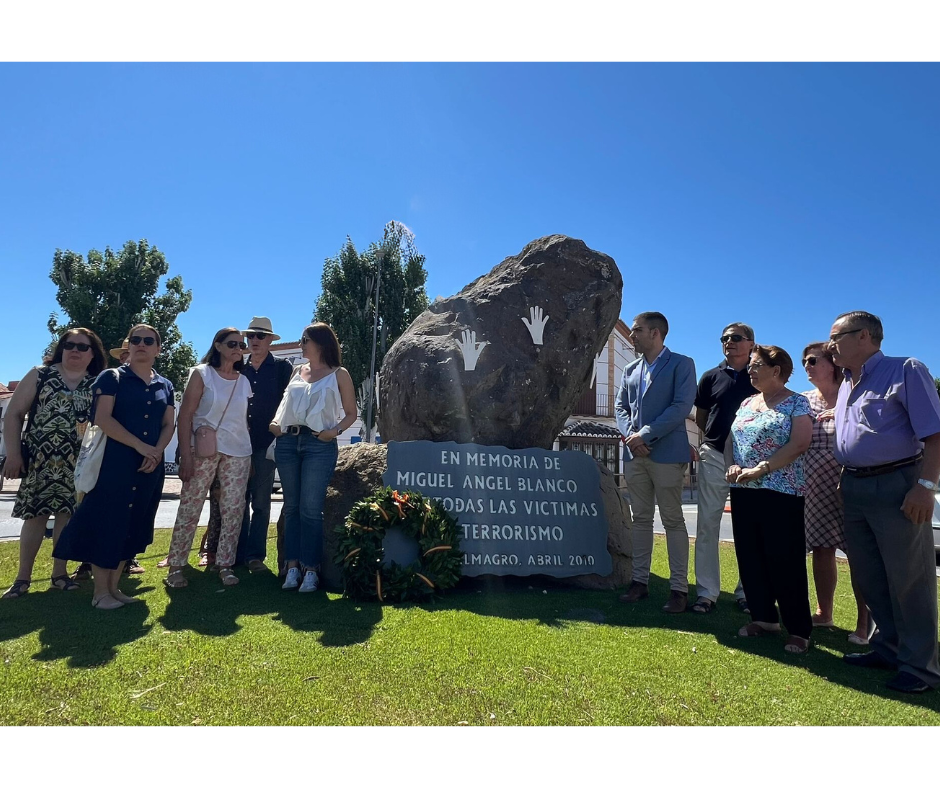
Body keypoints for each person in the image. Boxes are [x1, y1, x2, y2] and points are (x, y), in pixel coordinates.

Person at [830, 311, 940, 693]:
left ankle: (921, 668)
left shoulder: (905, 370)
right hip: (856, 488)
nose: (831, 345)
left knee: (910, 579)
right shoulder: (846, 382)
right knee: (870, 576)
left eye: (837, 336)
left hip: (898, 485)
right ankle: (889, 648)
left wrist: (925, 485)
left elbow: (935, 435)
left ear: (864, 336)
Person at [53, 325, 175, 609]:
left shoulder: (166, 385)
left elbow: (169, 423)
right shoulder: (112, 377)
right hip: (115, 463)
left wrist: (156, 451)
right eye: (135, 340)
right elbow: (102, 418)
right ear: (127, 346)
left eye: (148, 340)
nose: (141, 344)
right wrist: (141, 446)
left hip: (149, 465)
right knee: (109, 523)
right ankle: (100, 593)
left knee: (133, 525)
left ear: (158, 349)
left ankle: (114, 588)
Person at [2, 329, 106, 598]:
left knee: (66, 517)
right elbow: (13, 414)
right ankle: (22, 578)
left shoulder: (96, 383)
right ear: (61, 348)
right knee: (35, 517)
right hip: (40, 460)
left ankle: (59, 574)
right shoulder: (41, 374)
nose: (75, 350)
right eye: (69, 345)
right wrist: (13, 455)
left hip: (78, 462)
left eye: (83, 347)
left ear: (92, 353)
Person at [726, 345, 813, 654]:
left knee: (784, 559)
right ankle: (763, 618)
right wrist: (734, 465)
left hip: (781, 491)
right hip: (744, 491)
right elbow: (733, 441)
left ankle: (799, 629)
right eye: (750, 366)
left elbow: (800, 443)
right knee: (750, 556)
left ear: (776, 371)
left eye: (756, 365)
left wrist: (761, 469)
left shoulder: (796, 402)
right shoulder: (748, 402)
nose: (750, 370)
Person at [615, 312, 696, 613]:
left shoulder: (681, 364)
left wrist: (645, 436)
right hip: (634, 456)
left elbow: (680, 407)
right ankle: (639, 582)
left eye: (636, 330)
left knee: (673, 521)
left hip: (666, 455)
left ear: (656, 333)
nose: (632, 336)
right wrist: (631, 439)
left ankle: (679, 589)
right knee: (641, 520)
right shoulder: (630, 369)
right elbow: (620, 408)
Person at [270, 323, 357, 593]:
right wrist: (275, 423)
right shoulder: (297, 371)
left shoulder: (339, 374)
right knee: (292, 507)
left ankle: (311, 569)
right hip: (288, 441)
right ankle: (291, 566)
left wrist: (334, 432)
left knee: (310, 509)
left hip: (319, 444)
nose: (301, 343)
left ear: (320, 342)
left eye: (305, 339)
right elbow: (285, 406)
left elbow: (352, 412)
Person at [165, 329, 253, 589]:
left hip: (239, 451)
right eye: (232, 344)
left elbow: (243, 421)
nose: (238, 348)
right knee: (190, 506)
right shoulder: (202, 373)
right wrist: (185, 454)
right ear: (218, 345)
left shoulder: (244, 381)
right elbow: (186, 416)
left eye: (241, 345)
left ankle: (224, 564)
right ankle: (176, 565)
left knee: (234, 509)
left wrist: (252, 459)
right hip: (202, 449)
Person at [800, 342, 871, 644]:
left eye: (813, 360)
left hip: (847, 482)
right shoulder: (802, 401)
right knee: (821, 548)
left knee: (858, 553)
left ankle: (863, 623)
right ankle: (824, 612)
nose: (807, 365)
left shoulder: (853, 394)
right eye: (804, 360)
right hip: (812, 485)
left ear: (833, 364)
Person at [689, 323, 757, 615]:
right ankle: (706, 593)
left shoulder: (761, 375)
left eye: (736, 338)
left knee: (750, 529)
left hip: (753, 462)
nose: (729, 342)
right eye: (725, 338)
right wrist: (716, 442)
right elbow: (702, 418)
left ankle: (748, 593)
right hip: (715, 455)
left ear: (751, 343)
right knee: (707, 527)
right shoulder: (710, 377)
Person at [235, 317, 293, 572]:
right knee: (235, 503)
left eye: (260, 336)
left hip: (265, 445)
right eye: (251, 336)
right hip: (235, 445)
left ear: (270, 340)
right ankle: (234, 555)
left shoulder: (282, 368)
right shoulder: (238, 369)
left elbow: (288, 404)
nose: (254, 340)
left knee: (260, 502)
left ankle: (255, 556)